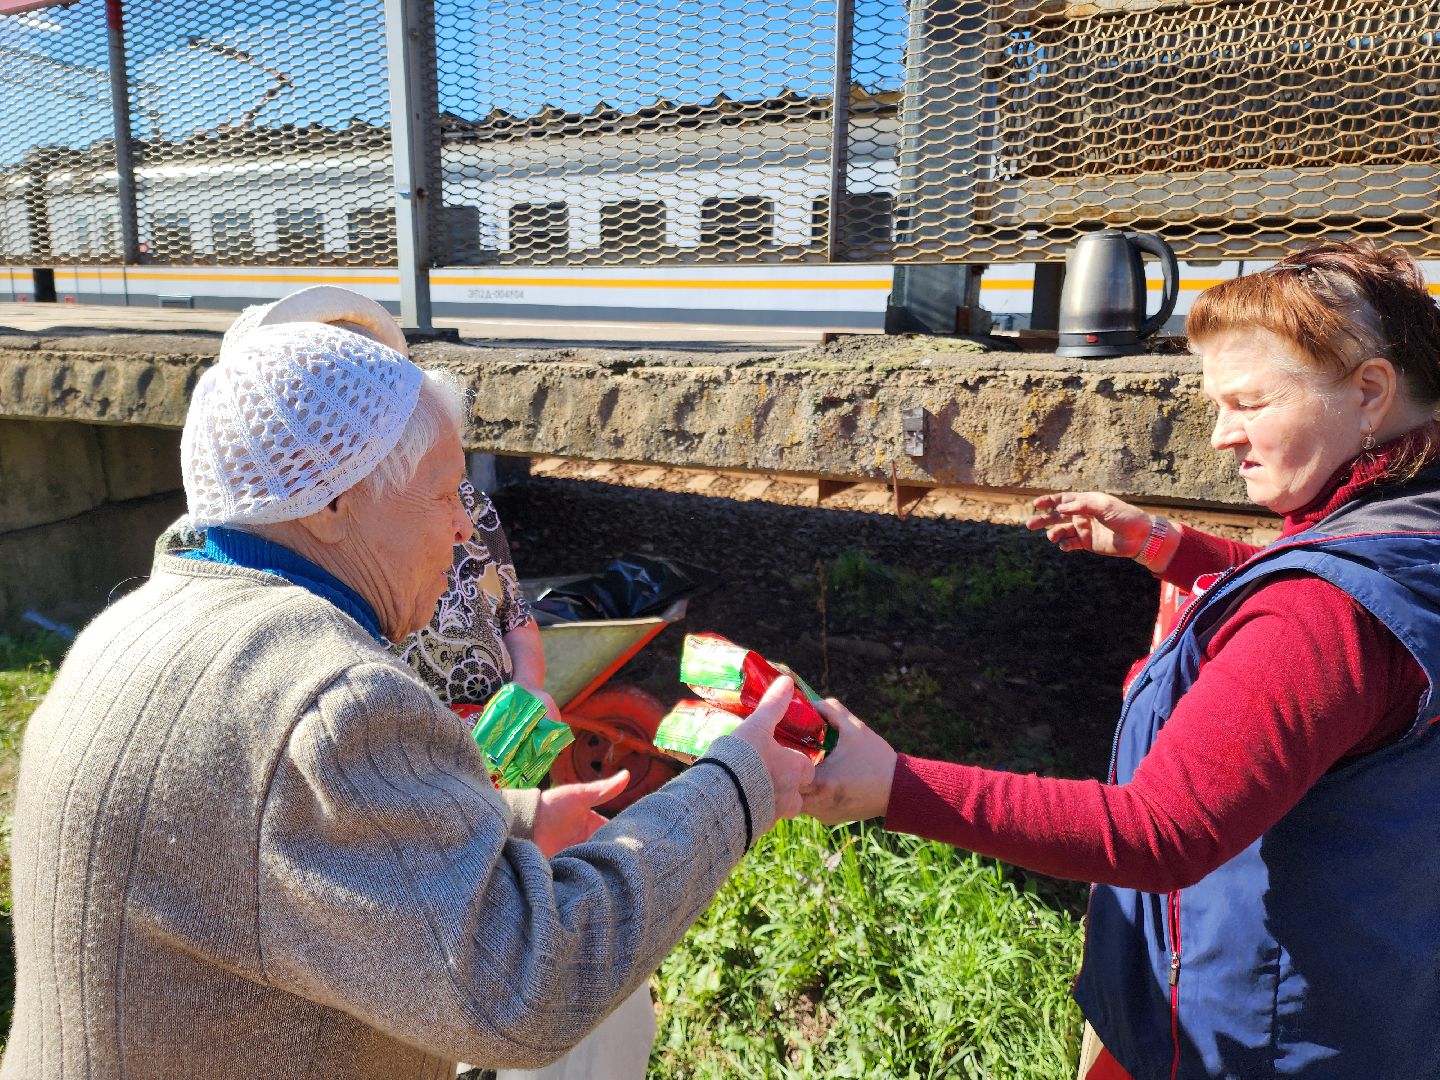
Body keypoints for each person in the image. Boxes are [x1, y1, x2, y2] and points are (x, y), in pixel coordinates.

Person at [3, 320, 815, 1079]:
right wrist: (736, 788)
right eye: (443, 492)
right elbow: (524, 987)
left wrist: (511, 820)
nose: (466, 530)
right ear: (332, 504)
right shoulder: (329, 696)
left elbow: (252, 844)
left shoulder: (125, 629)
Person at [801, 240, 1440, 1079]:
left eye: (1247, 402)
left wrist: (893, 786)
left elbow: (1161, 832)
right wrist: (1177, 550)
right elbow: (1343, 635)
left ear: (1369, 392)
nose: (1220, 437)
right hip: (1365, 1005)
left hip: (1244, 1039)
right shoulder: (1411, 532)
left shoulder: (1320, 616)